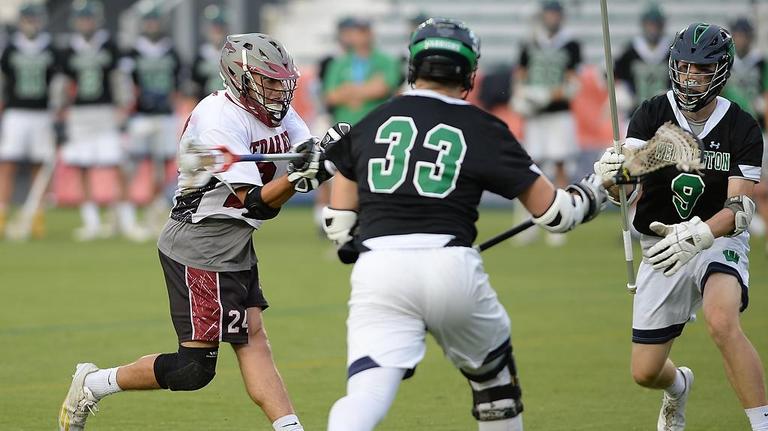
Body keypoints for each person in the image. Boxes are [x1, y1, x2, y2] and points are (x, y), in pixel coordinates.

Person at [322, 18, 607, 431]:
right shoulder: (483, 127)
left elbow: (339, 218)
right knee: (493, 383)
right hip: (449, 266)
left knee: (365, 392)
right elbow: (556, 215)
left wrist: (350, 239)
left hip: (380, 269)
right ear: (469, 73)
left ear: (413, 65)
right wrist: (595, 191)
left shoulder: (374, 120)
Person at [58, 33, 328, 431]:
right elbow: (256, 202)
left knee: (252, 339)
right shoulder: (218, 119)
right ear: (241, 78)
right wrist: (306, 172)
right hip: (200, 242)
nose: (279, 90)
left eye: (282, 80)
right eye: (269, 81)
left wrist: (329, 156)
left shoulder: (278, 111)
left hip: (235, 240)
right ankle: (93, 383)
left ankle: (290, 428)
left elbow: (309, 163)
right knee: (192, 371)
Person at [594, 23, 767, 431]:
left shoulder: (741, 126)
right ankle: (679, 388)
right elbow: (624, 190)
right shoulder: (653, 112)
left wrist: (703, 233)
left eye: (701, 70)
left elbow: (740, 209)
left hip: (714, 238)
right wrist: (612, 177)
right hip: (661, 244)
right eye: (684, 67)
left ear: (721, 71)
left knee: (722, 321)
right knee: (645, 372)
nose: (690, 78)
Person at [59, 0, 143, 241]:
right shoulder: (69, 49)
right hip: (79, 114)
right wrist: (59, 112)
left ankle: (127, 221)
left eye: (89, 18)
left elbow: (120, 80)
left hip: (106, 112)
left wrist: (123, 108)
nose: (85, 23)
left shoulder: (109, 46)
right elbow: (63, 85)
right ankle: (92, 222)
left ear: (97, 20)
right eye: (82, 18)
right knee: (82, 167)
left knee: (118, 164)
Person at [512, 0, 582, 246]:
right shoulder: (529, 41)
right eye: (549, 14)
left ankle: (559, 221)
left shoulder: (570, 43)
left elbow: (573, 85)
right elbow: (520, 77)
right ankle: (526, 222)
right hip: (535, 116)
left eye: (555, 14)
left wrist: (546, 95)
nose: (552, 18)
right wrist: (523, 96)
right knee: (531, 166)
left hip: (559, 114)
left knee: (560, 166)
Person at [0, 2, 60, 238]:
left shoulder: (49, 48)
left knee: (40, 164)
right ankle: (3, 213)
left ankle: (35, 214)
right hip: (16, 113)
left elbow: (58, 83)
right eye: (28, 18)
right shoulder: (11, 48)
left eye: (34, 18)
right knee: (7, 162)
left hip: (41, 113)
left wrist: (57, 110)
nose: (31, 23)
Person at [121, 5, 183, 232]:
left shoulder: (171, 52)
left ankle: (154, 211)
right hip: (141, 116)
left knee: (163, 166)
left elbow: (177, 87)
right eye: (148, 22)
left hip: (164, 115)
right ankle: (125, 214)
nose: (152, 26)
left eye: (155, 22)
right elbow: (125, 85)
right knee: (134, 165)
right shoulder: (133, 52)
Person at [720, 17, 768, 253]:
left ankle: (751, 218)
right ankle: (743, 218)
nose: (740, 39)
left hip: (758, 130)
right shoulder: (724, 60)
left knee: (759, 182)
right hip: (730, 128)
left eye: (743, 35)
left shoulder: (760, 63)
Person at [614, 3, 671, 116]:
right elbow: (613, 74)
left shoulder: (672, 51)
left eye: (657, 24)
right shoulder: (630, 51)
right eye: (650, 24)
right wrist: (622, 92)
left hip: (664, 115)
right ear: (643, 24)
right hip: (635, 114)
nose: (653, 29)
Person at [190, 4, 227, 99]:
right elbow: (195, 84)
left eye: (219, 29)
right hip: (206, 103)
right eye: (214, 29)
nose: (217, 32)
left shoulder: (231, 54)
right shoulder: (201, 56)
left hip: (227, 104)